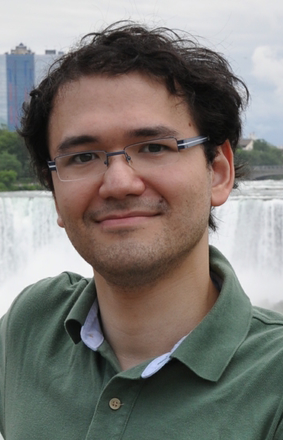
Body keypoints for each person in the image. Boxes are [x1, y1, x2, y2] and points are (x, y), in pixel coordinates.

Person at [1, 22, 283, 440]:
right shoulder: (31, 325)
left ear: (219, 172)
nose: (118, 183)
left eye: (154, 148)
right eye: (82, 157)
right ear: (55, 195)